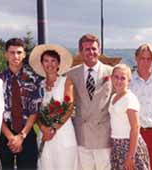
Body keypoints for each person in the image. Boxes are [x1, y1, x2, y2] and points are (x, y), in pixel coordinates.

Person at [66, 33, 113, 170]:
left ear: (99, 50)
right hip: (82, 134)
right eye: (87, 49)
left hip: (103, 135)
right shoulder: (71, 74)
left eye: (94, 49)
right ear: (81, 52)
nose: (91, 52)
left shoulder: (111, 72)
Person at [29, 44, 79, 170]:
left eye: (53, 61)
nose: (49, 64)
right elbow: (35, 111)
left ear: (58, 64)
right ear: (42, 64)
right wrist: (44, 128)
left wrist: (54, 128)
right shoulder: (38, 85)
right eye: (46, 61)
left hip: (63, 132)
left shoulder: (66, 81)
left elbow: (69, 106)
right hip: (44, 134)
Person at [0, 38, 43, 170]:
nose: (15, 56)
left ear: (24, 54)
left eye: (19, 52)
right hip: (4, 133)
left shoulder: (34, 79)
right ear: (6, 54)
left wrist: (21, 136)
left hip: (26, 132)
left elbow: (34, 110)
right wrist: (11, 137)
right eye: (11, 52)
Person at [109, 64, 150, 170]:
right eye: (116, 77)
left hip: (129, 146)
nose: (119, 81)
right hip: (117, 145)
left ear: (129, 81)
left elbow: (135, 127)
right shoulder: (114, 97)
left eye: (123, 78)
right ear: (111, 78)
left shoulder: (130, 99)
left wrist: (131, 156)